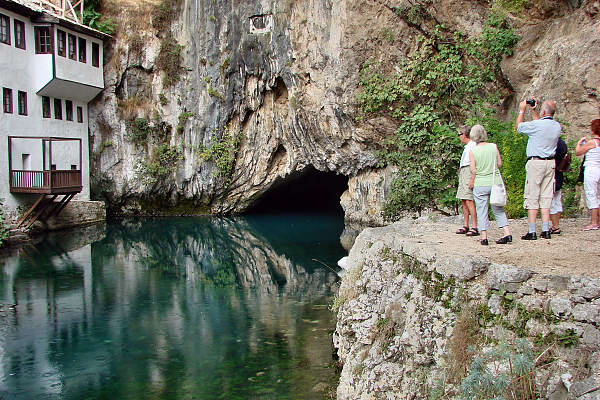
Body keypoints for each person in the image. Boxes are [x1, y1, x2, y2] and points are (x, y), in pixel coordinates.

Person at [515, 99, 561, 240]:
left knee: (533, 196)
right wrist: (534, 110)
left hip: (536, 163)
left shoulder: (537, 125)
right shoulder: (557, 126)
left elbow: (519, 127)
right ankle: (546, 229)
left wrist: (522, 110)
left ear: (543, 111)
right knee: (546, 196)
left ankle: (532, 231)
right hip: (550, 163)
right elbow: (541, 124)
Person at [468, 125, 512, 246]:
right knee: (498, 208)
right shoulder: (493, 146)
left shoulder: (473, 151)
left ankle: (484, 236)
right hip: (494, 181)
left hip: (480, 183)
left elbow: (473, 170)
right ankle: (506, 232)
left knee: (482, 209)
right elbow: (499, 163)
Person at [575, 119, 600, 230]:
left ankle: (594, 222)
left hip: (591, 170)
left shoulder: (592, 143)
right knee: (598, 195)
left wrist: (579, 143)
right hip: (599, 168)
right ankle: (597, 220)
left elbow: (578, 152)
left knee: (591, 195)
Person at [455, 125, 478, 236]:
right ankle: (466, 225)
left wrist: (473, 178)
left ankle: (474, 226)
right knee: (463, 199)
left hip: (469, 171)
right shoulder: (468, 146)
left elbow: (475, 163)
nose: (459, 137)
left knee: (469, 199)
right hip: (464, 171)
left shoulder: (473, 145)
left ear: (464, 135)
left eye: (459, 134)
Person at [550, 137, 568, 234]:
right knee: (557, 199)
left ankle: (555, 225)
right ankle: (556, 224)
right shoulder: (563, 143)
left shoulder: (552, 142)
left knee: (551, 200)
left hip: (552, 172)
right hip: (559, 172)